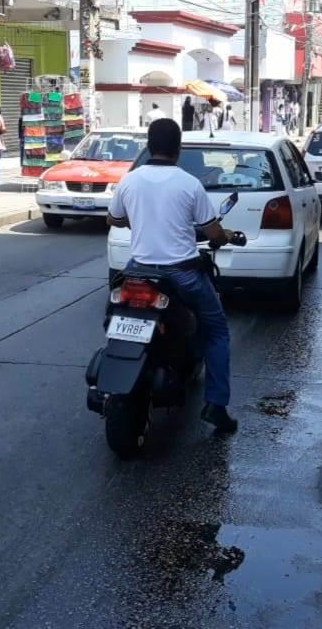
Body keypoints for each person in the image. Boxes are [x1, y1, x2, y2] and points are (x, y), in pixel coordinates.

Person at [107, 118, 239, 433]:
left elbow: (113, 218)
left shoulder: (130, 181)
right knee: (217, 331)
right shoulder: (189, 184)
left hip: (138, 273)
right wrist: (222, 237)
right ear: (178, 149)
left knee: (114, 315)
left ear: (149, 146)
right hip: (183, 276)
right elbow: (212, 232)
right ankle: (216, 406)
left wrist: (139, 222)